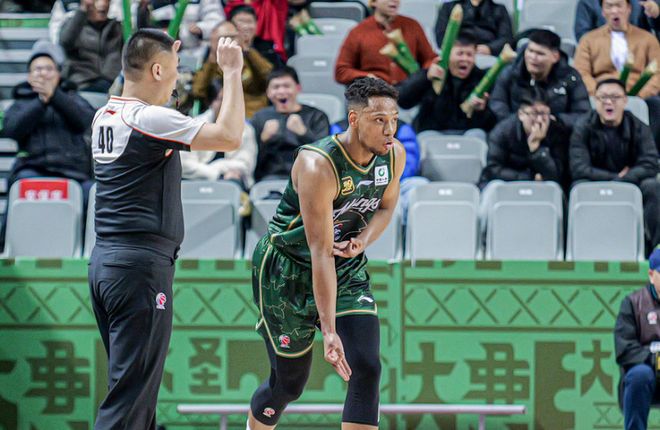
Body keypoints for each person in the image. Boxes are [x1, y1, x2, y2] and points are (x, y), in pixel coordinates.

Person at [88, 29, 244, 429]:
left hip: (108, 263)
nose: (178, 80)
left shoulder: (106, 114)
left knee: (135, 396)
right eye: (175, 70)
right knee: (128, 402)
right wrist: (231, 72)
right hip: (139, 269)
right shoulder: (147, 119)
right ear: (157, 70)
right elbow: (229, 137)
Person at [246, 77, 404, 430]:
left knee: (366, 367)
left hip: (344, 265)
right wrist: (329, 331)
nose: (389, 129)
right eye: (379, 120)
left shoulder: (393, 155)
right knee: (288, 385)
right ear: (354, 119)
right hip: (288, 268)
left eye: (394, 119)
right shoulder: (318, 164)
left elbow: (385, 207)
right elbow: (319, 252)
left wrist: (362, 240)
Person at [570, 78, 659, 250]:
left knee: (653, 187)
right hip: (595, 181)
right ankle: (578, 247)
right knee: (577, 186)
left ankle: (655, 248)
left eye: (615, 97)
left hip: (632, 181)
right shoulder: (582, 126)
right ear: (595, 101)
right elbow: (578, 168)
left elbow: (650, 163)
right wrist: (614, 178)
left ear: (625, 101)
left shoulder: (638, 126)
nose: (609, 102)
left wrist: (626, 179)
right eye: (603, 97)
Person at [3, 40, 95, 199]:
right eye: (38, 69)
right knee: (19, 186)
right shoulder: (21, 102)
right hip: (33, 169)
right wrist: (41, 102)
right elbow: (12, 129)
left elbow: (86, 121)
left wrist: (55, 96)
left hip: (73, 171)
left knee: (92, 193)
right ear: (29, 76)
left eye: (49, 69)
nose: (43, 73)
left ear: (58, 74)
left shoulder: (72, 97)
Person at [574, 0, 660, 144]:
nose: (614, 11)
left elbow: (657, 72)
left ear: (629, 9)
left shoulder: (648, 39)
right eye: (609, 6)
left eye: (619, 6)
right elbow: (581, 72)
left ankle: (651, 151)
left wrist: (641, 94)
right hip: (600, 92)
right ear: (602, 11)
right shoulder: (588, 40)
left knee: (656, 105)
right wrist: (598, 92)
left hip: (637, 92)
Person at [397, 30, 496, 137]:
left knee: (477, 135)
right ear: (448, 54)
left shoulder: (483, 78)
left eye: (469, 55)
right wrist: (425, 78)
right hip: (433, 131)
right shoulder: (430, 74)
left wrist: (481, 110)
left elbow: (493, 122)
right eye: (460, 53)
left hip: (467, 132)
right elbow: (403, 101)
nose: (465, 59)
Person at [490, 29, 591, 131]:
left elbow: (583, 114)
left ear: (555, 57)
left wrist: (556, 120)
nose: (533, 57)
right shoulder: (511, 72)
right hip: (514, 132)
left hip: (557, 133)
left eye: (540, 54)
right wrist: (519, 123)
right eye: (530, 51)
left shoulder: (571, 78)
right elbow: (497, 103)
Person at [480, 89, 570, 192]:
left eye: (544, 114)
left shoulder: (556, 132)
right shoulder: (502, 132)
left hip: (542, 189)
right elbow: (493, 169)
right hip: (508, 185)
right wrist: (529, 178)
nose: (539, 120)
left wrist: (537, 151)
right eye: (534, 114)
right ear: (521, 114)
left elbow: (557, 175)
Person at [251, 66, 329, 182]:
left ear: (298, 88)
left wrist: (304, 133)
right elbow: (250, 160)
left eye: (286, 86)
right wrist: (263, 140)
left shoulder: (317, 116)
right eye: (276, 87)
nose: (281, 91)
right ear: (268, 92)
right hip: (269, 177)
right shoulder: (260, 117)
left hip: (308, 176)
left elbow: (326, 155)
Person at [335, 0, 437, 85]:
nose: (394, 1)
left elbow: (430, 59)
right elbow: (341, 71)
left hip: (410, 91)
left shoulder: (412, 26)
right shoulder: (358, 32)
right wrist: (367, 77)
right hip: (375, 92)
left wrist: (425, 74)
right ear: (373, 2)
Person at [614, 247, 660, 430]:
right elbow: (624, 349)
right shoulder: (633, 303)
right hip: (647, 373)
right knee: (639, 375)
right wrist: (655, 359)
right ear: (651, 275)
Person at [181, 79, 257, 188]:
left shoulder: (246, 129)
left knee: (234, 182)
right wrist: (215, 173)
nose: (227, 105)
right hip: (197, 179)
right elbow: (185, 165)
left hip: (229, 180)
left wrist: (219, 167)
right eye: (221, 99)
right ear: (211, 102)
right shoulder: (194, 126)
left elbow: (245, 164)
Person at [192, 20, 273, 117]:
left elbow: (269, 77)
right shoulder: (211, 65)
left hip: (252, 114)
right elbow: (198, 91)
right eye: (222, 38)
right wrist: (213, 55)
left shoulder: (250, 59)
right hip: (221, 116)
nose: (227, 41)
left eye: (232, 37)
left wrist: (247, 50)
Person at [59, 0, 123, 92]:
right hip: (83, 83)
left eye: (106, 1)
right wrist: (82, 10)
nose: (103, 4)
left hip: (111, 83)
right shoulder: (75, 25)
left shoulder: (116, 27)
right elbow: (65, 42)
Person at [136, 0, 225, 52]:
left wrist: (200, 28)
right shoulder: (147, 2)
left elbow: (218, 22)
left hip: (194, 52)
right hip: (155, 52)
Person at [435, 0, 513, 56]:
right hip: (456, 53)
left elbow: (506, 38)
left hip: (487, 55)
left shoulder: (499, 10)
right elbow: (441, 35)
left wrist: (490, 48)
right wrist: (458, 47)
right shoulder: (449, 7)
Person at [574, 0, 659, 41]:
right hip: (602, 57)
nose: (614, 11)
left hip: (640, 53)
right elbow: (583, 36)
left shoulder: (642, 1)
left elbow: (656, 27)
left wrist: (656, 13)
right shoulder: (587, 3)